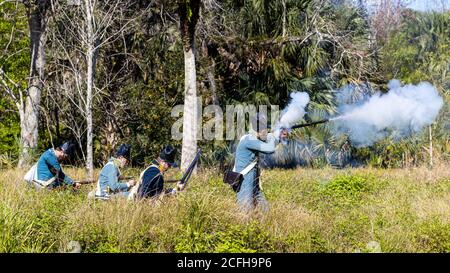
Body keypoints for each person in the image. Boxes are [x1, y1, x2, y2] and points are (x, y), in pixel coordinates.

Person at [233, 113, 288, 214]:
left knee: (264, 210)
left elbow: (270, 142)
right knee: (245, 210)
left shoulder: (255, 138)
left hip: (254, 179)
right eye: (264, 128)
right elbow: (269, 148)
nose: (266, 131)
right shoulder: (249, 139)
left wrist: (279, 137)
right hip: (244, 179)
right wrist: (272, 136)